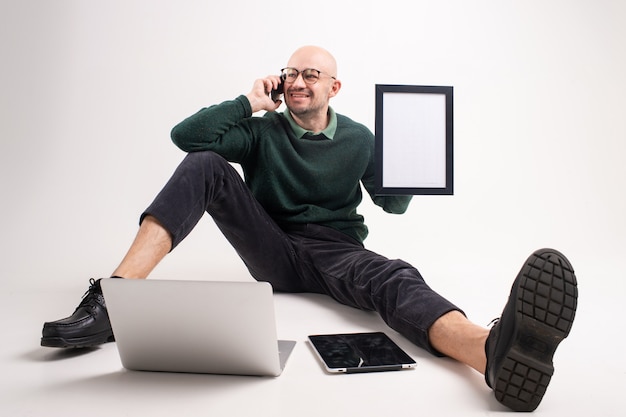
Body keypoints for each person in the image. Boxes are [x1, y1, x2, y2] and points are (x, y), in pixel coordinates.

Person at [41, 45, 578, 412]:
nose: (297, 82)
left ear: (334, 87)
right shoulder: (261, 131)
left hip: (336, 252)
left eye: (310, 75)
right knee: (204, 164)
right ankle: (113, 300)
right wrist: (248, 102)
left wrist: (414, 165)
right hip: (270, 246)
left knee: (393, 277)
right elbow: (187, 136)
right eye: (290, 73)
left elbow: (394, 206)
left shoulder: (362, 139)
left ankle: (489, 351)